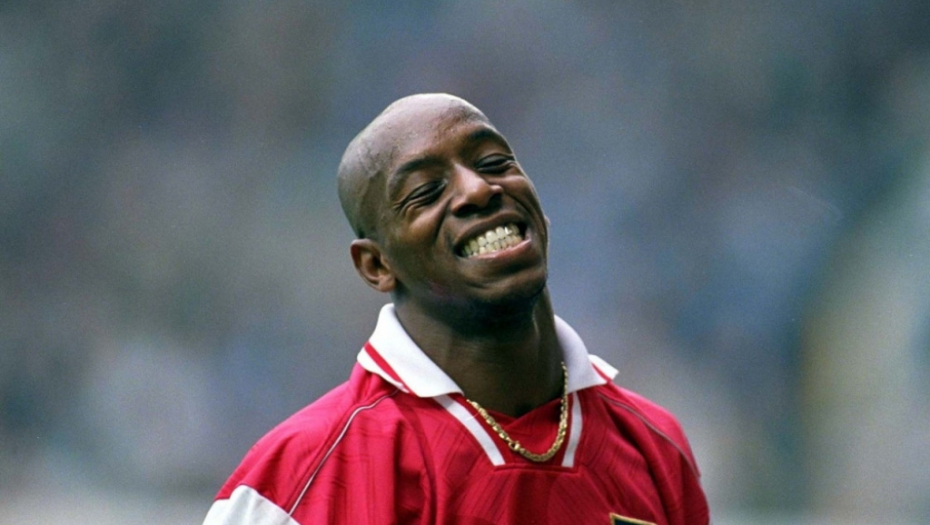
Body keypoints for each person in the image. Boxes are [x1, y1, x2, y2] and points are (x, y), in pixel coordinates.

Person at [202, 93, 710, 525]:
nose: (479, 190)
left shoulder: (654, 446)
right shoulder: (298, 480)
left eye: (494, 163)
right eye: (426, 192)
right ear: (377, 265)